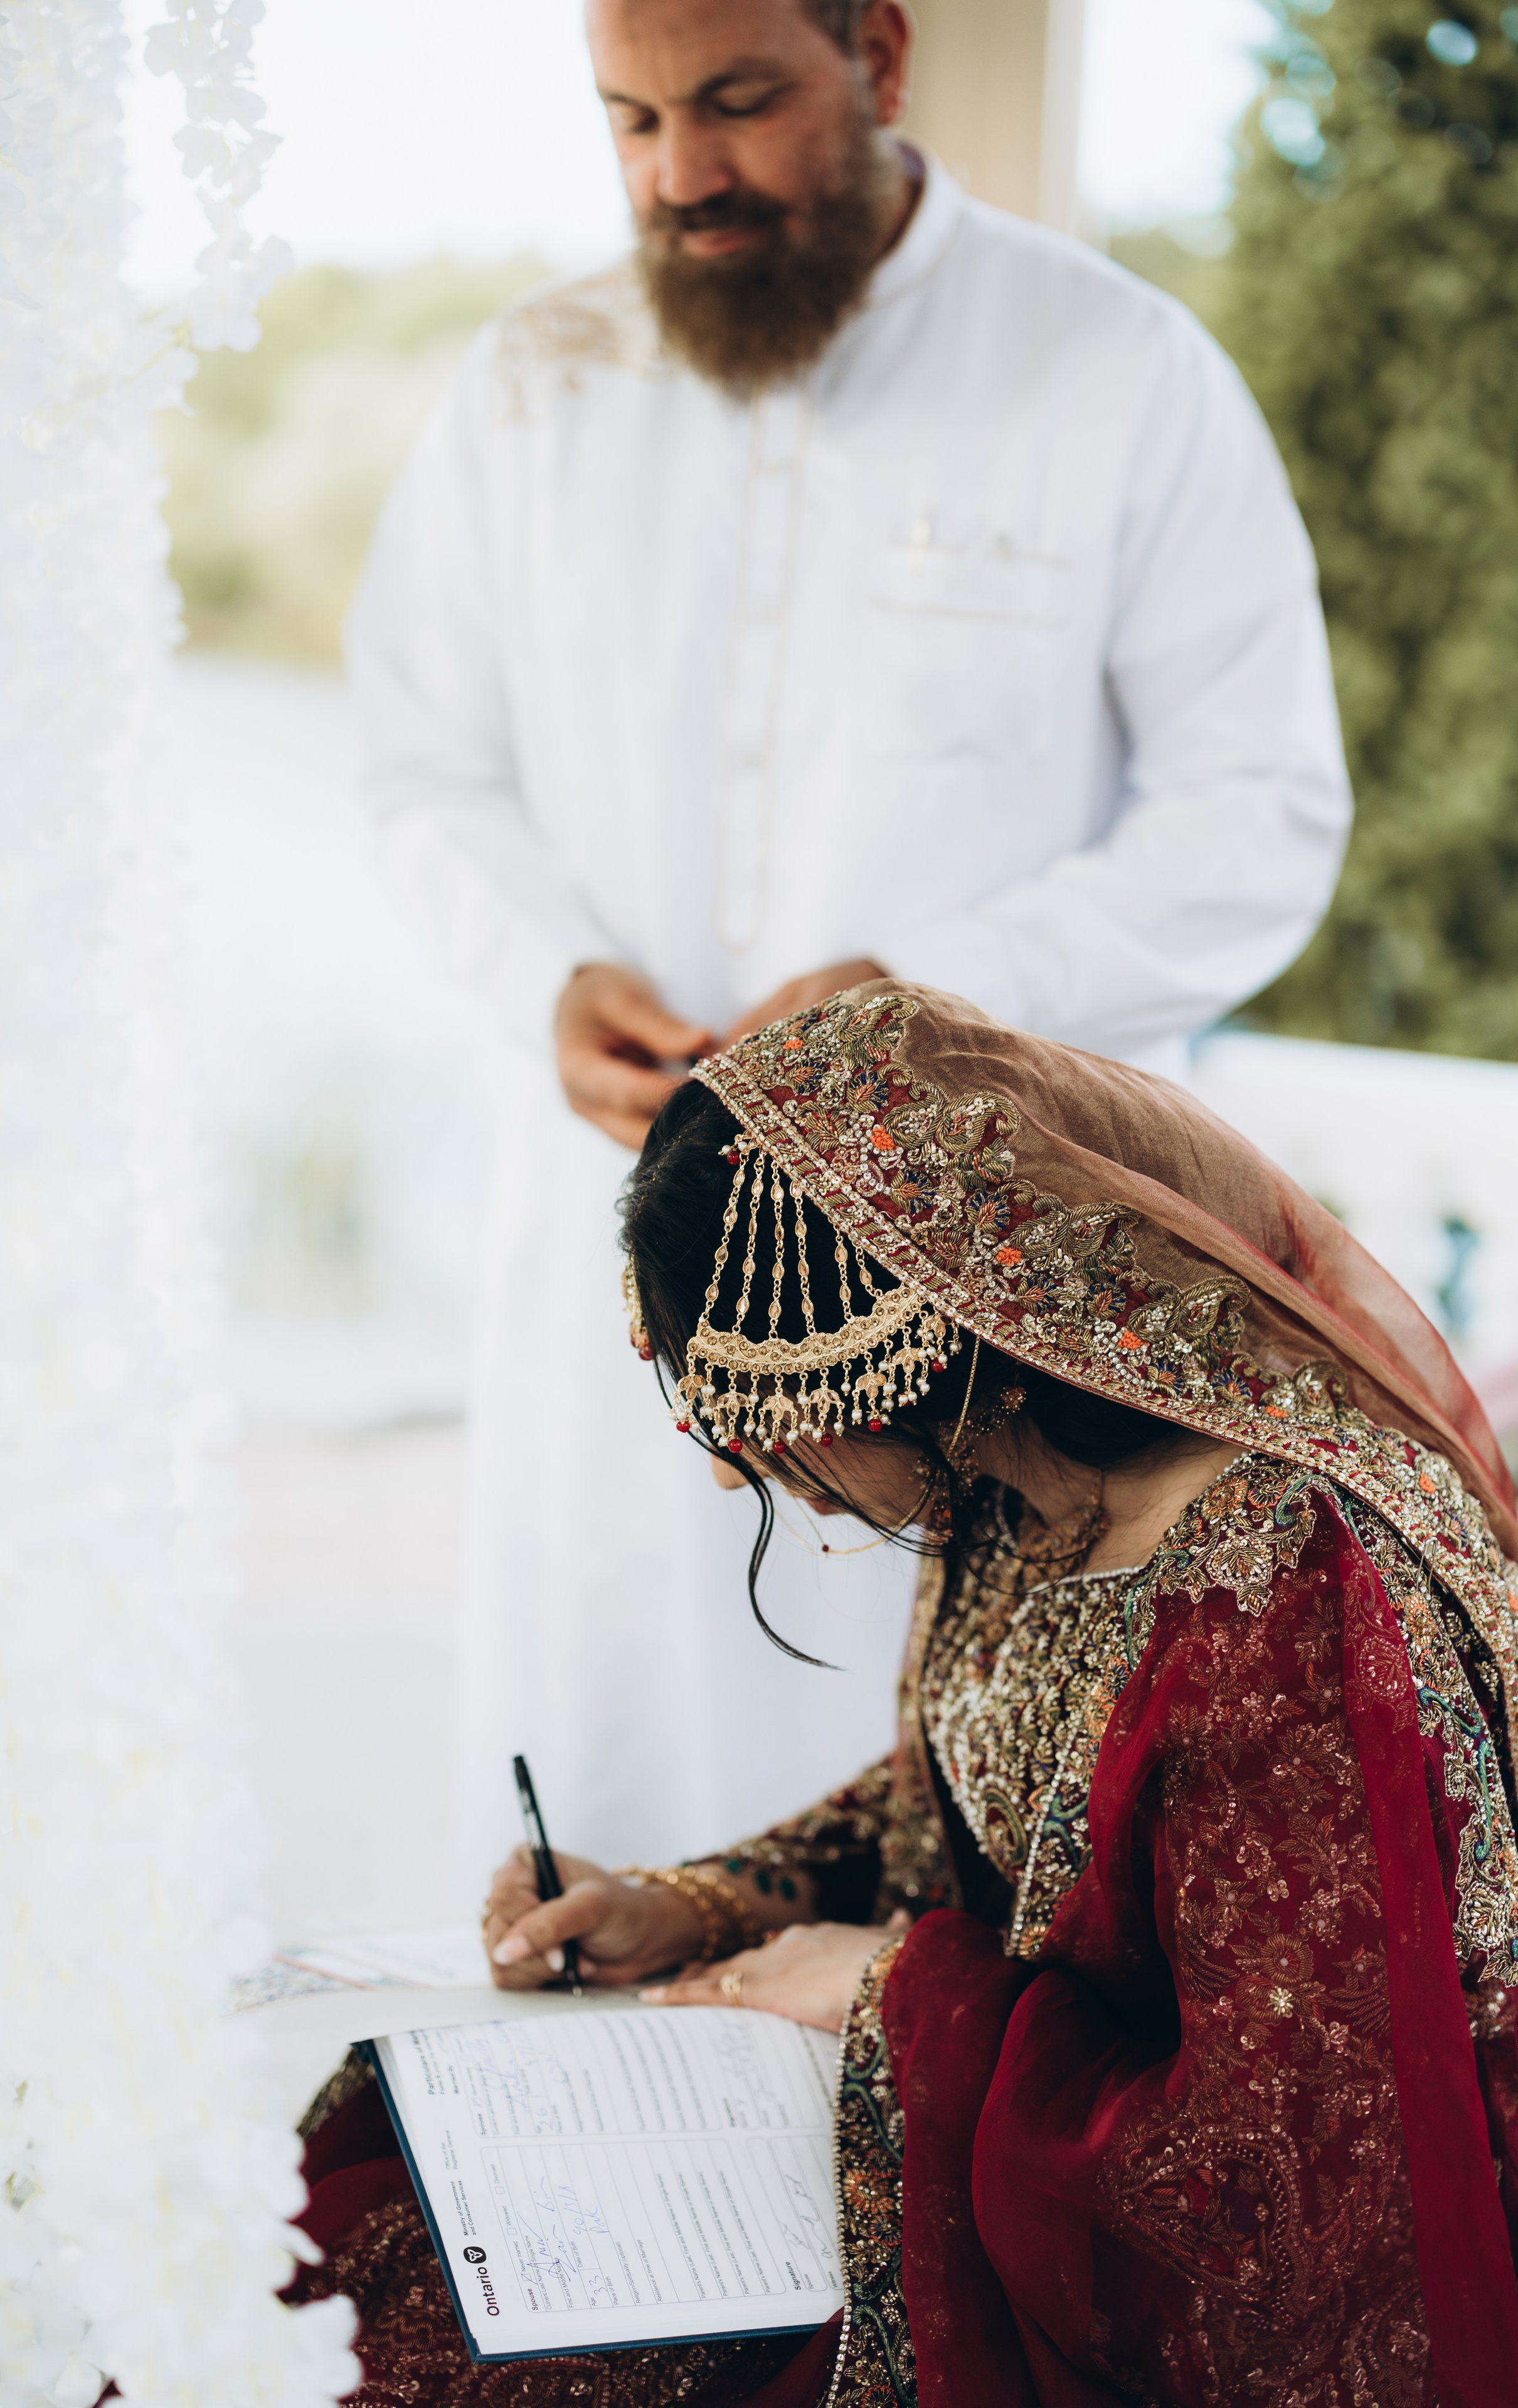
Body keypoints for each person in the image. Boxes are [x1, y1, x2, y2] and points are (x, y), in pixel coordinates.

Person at [345, 0, 1353, 1881]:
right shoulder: (530, 381)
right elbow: (418, 765)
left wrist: (943, 1009)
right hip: (612, 1248)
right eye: (629, 120)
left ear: (881, 60)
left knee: (961, 1838)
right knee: (603, 1796)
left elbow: (1263, 818)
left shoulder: (1119, 369)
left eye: (737, 103)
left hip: (994, 1274)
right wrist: (540, 974)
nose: (680, 175)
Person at [293, 980, 1518, 2405]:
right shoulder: (1011, 1471)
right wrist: (703, 1901)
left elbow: (1279, 2194)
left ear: (892, 1366)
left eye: (773, 1436)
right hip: (997, 2156)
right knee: (379, 2190)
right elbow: (988, 1790)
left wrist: (886, 1992)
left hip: (1164, 2268)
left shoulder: (1287, 1594)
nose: (764, 1482)